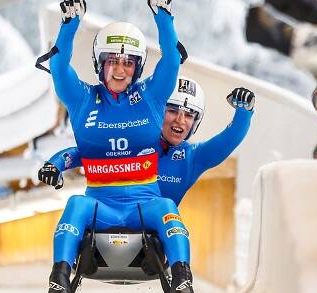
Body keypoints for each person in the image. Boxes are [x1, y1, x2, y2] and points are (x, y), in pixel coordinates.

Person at [43, 0, 194, 293]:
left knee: (169, 209)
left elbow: (171, 59)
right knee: (75, 205)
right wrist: (70, 23)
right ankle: (58, 275)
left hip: (146, 203)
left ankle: (182, 276)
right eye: (112, 61)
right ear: (100, 63)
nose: (120, 69)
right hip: (101, 204)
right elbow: (58, 68)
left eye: (128, 62)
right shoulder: (83, 98)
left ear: (138, 67)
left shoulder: (151, 97)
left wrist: (163, 15)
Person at [40, 77, 255, 207]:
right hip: (110, 220)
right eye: (172, 111)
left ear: (195, 122)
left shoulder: (192, 158)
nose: (180, 120)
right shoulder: (133, 135)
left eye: (189, 115)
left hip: (155, 237)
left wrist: (244, 113)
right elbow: (83, 152)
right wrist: (55, 165)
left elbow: (227, 141)